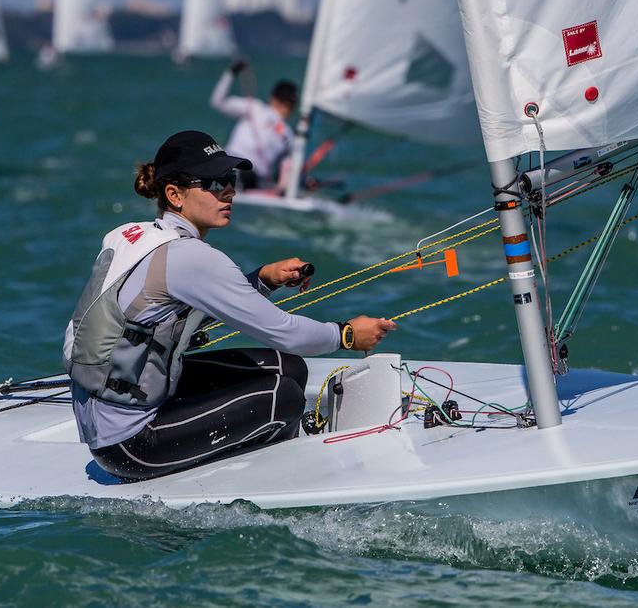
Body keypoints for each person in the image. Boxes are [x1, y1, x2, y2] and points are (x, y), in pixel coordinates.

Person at [62, 130, 396, 480]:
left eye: (230, 179)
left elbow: (171, 317)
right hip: (129, 445)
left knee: (290, 369)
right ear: (175, 195)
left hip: (111, 411)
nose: (230, 191)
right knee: (281, 397)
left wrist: (264, 280)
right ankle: (276, 481)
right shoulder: (190, 258)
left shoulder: (133, 235)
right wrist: (346, 335)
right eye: (214, 182)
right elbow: (284, 332)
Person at [209, 60, 298, 191]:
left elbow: (217, 101)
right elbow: (287, 170)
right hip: (244, 176)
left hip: (236, 172)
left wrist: (230, 73)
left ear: (272, 98)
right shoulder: (289, 135)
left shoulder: (256, 108)